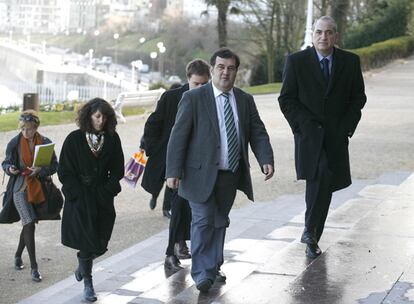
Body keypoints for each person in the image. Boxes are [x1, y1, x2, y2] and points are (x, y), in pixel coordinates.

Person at [166, 48, 274, 292]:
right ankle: (203, 273)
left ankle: (213, 265)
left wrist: (265, 158)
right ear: (212, 70)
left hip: (229, 173)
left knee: (219, 221)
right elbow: (178, 136)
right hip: (198, 174)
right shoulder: (194, 98)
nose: (226, 72)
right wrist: (173, 171)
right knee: (203, 220)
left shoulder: (245, 100)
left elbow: (257, 131)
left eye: (231, 68)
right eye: (221, 67)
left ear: (236, 71)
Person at [278, 16, 367, 259]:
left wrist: (347, 127)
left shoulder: (350, 62)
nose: (323, 37)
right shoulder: (296, 62)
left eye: (329, 32)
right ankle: (310, 232)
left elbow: (358, 98)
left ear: (335, 36)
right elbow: (286, 99)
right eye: (319, 32)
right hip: (308, 135)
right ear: (312, 35)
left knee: (323, 183)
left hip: (336, 136)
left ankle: (311, 236)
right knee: (322, 175)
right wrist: (301, 126)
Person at [142, 59, 211, 271]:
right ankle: (171, 251)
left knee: (188, 208)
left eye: (204, 84)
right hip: (174, 163)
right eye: (196, 84)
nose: (200, 88)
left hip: (197, 164)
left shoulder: (210, 99)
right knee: (179, 207)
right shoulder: (171, 97)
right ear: (188, 79)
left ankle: (180, 245)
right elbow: (152, 124)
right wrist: (158, 152)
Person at [58, 98, 124, 302]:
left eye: (105, 116)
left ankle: (82, 265)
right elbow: (65, 171)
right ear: (88, 116)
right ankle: (88, 282)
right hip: (80, 198)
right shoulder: (74, 139)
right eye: (97, 116)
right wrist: (76, 194)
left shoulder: (112, 138)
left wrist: (108, 189)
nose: (101, 120)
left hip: (102, 195)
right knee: (87, 242)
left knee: (101, 242)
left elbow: (118, 168)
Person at [0, 110, 58, 282]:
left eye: (30, 128)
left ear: (36, 127)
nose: (26, 132)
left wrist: (41, 170)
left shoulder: (45, 143)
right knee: (30, 223)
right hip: (19, 189)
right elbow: (5, 163)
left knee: (28, 224)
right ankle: (34, 268)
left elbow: (55, 165)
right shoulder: (15, 142)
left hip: (39, 189)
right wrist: (10, 169)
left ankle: (18, 255)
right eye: (23, 128)